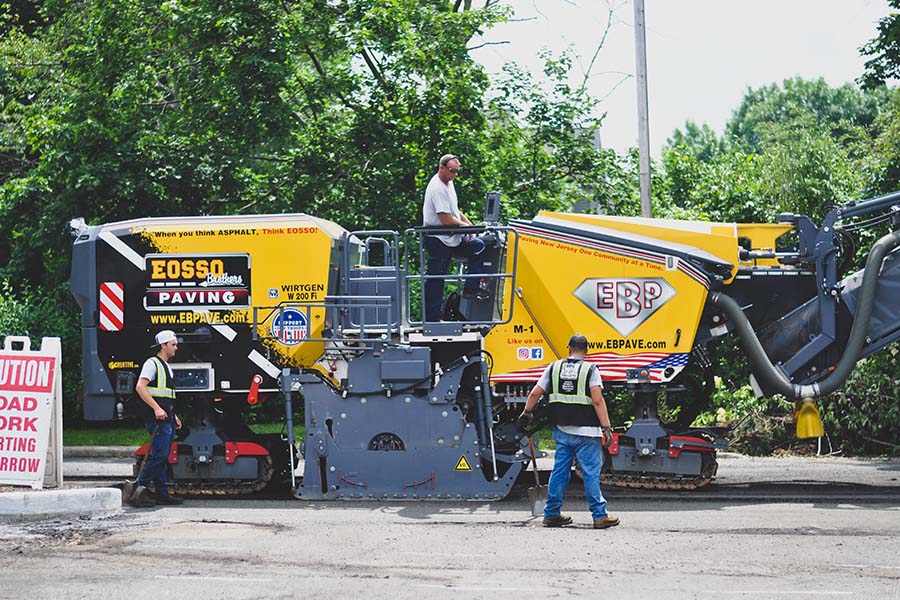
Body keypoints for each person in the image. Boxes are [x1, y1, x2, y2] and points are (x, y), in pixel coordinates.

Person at [518, 334, 619, 529]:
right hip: (587, 433)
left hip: (563, 430)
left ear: (568, 348)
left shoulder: (554, 368)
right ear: (586, 351)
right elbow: (597, 400)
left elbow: (535, 393)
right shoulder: (590, 369)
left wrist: (526, 413)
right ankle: (599, 516)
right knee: (590, 473)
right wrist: (606, 428)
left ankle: (551, 513)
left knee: (559, 472)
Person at [421, 153, 487, 322]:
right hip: (437, 239)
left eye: (457, 171)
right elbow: (445, 218)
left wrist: (469, 224)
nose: (455, 175)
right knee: (436, 278)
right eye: (452, 171)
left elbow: (455, 211)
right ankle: (432, 318)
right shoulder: (437, 188)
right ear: (441, 168)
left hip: (450, 237)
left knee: (477, 246)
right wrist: (465, 228)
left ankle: (471, 287)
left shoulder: (449, 183)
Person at [134, 330, 184, 506]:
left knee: (161, 455)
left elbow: (166, 395)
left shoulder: (166, 366)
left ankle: (162, 494)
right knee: (161, 455)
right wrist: (156, 409)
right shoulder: (152, 363)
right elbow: (140, 387)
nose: (176, 348)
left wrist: (173, 415)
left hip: (166, 417)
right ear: (163, 345)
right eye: (173, 344)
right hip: (157, 419)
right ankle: (140, 490)